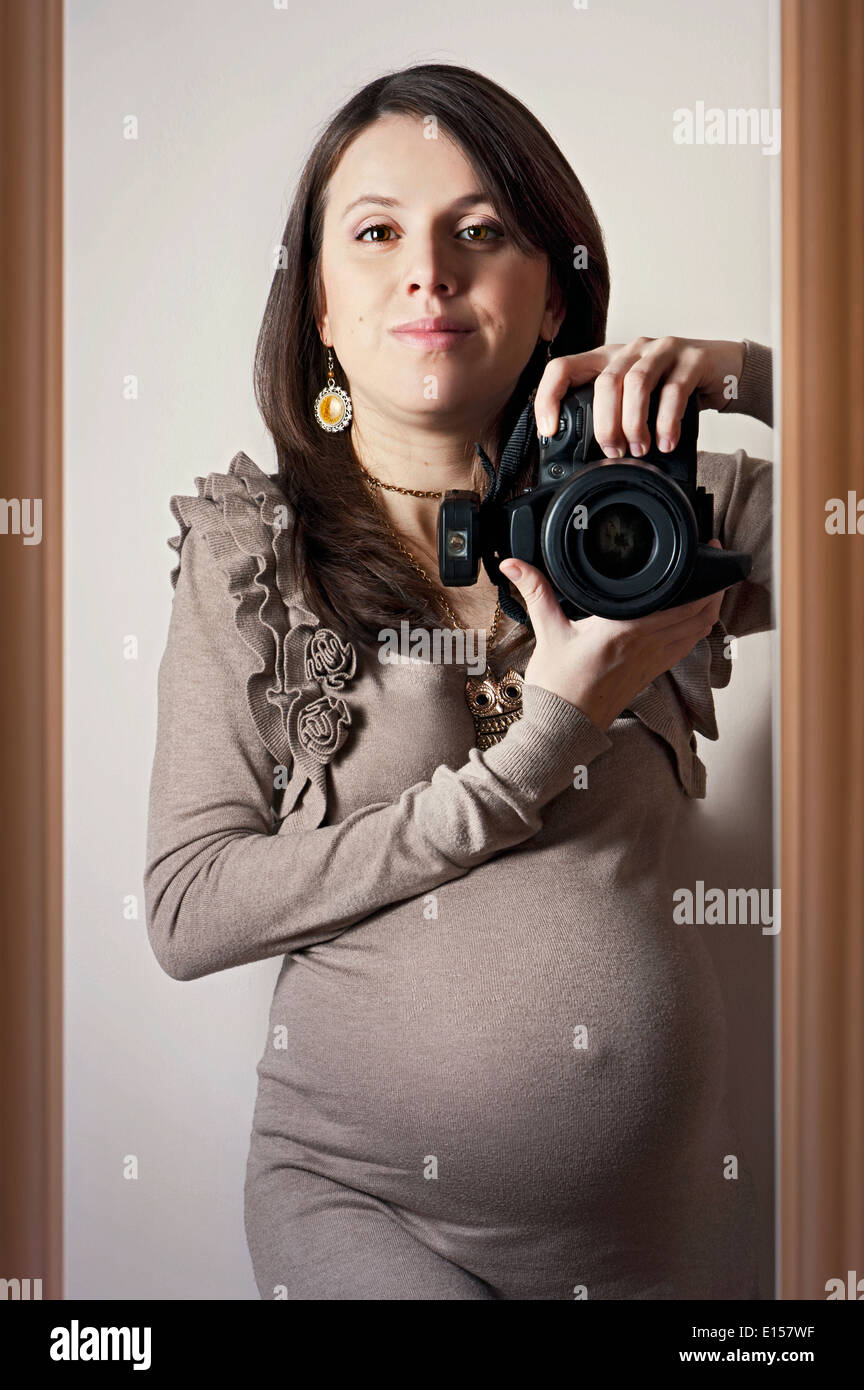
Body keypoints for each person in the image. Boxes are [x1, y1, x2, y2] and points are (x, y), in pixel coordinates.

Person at [144, 63, 773, 1300]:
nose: (429, 270)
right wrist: (544, 740)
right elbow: (187, 907)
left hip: (655, 1238)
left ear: (553, 296)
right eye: (376, 233)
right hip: (366, 1211)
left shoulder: (668, 513)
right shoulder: (252, 550)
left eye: (481, 231)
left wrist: (756, 373)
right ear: (321, 302)